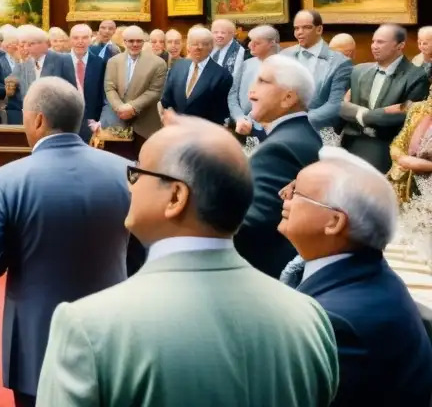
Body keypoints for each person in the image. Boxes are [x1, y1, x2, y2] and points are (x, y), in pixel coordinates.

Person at [35, 116, 338, 407]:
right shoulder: (308, 316)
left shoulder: (89, 326)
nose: (130, 185)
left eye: (137, 173)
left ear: (176, 197)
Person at [0, 78, 131, 407]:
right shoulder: (127, 171)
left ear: (39, 120)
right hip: (112, 329)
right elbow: (143, 250)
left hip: (37, 331)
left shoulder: (7, 179)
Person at [279, 148, 432, 407]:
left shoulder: (337, 323)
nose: (283, 194)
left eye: (296, 191)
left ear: (334, 222)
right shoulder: (363, 271)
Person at [234, 56, 322, 278]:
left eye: (263, 81)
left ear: (288, 98)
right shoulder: (299, 134)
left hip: (260, 275)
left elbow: (251, 224)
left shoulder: (282, 146)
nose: (251, 90)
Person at [340, 25, 429, 172]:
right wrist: (364, 114)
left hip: (386, 148)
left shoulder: (417, 76)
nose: (374, 46)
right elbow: (338, 105)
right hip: (350, 144)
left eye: (380, 42)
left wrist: (358, 114)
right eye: (373, 41)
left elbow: (406, 116)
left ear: (400, 46)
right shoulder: (358, 71)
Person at [283, 10, 352, 138]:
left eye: (306, 27)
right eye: (296, 28)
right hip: (282, 126)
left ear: (319, 29)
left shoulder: (340, 62)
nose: (299, 32)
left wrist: (299, 121)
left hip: (319, 130)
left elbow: (335, 105)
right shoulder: (284, 55)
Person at [102, 26, 167, 149]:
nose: (135, 44)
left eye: (139, 41)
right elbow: (109, 87)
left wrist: (132, 107)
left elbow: (155, 92)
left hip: (145, 124)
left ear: (143, 42)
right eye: (131, 41)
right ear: (124, 42)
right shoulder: (113, 62)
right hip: (117, 123)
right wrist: (120, 108)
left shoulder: (158, 63)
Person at [4, 26, 77, 125]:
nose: (26, 47)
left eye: (31, 44)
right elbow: (18, 91)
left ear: (45, 44)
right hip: (30, 119)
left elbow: (71, 91)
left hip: (54, 118)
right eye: (25, 44)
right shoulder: (26, 62)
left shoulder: (62, 59)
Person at [161, 27, 232, 125]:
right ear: (188, 46)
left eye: (204, 44)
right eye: (194, 43)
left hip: (204, 133)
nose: (199, 47)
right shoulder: (178, 67)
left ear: (212, 46)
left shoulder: (222, 76)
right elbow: (166, 100)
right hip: (177, 130)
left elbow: (220, 114)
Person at [228, 25, 281, 145]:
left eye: (256, 42)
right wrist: (239, 117)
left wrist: (250, 119)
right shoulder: (246, 64)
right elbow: (232, 94)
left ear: (271, 43)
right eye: (250, 41)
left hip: (271, 129)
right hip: (241, 127)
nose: (249, 45)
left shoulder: (285, 67)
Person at [387, 96, 432, 201]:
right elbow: (398, 144)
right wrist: (400, 158)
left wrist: (425, 165)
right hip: (403, 184)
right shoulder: (419, 111)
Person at [68, 24, 105, 143]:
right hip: (65, 121)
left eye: (84, 37)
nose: (80, 41)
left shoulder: (100, 63)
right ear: (70, 39)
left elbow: (102, 94)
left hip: (91, 123)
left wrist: (98, 120)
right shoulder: (59, 61)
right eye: (76, 38)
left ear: (91, 39)